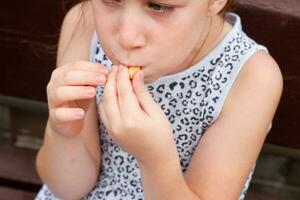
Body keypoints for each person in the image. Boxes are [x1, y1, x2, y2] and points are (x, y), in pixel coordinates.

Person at [35, 0, 283, 199]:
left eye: (158, 6)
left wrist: (155, 159)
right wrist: (64, 133)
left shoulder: (250, 76)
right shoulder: (84, 24)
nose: (127, 37)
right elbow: (67, 190)